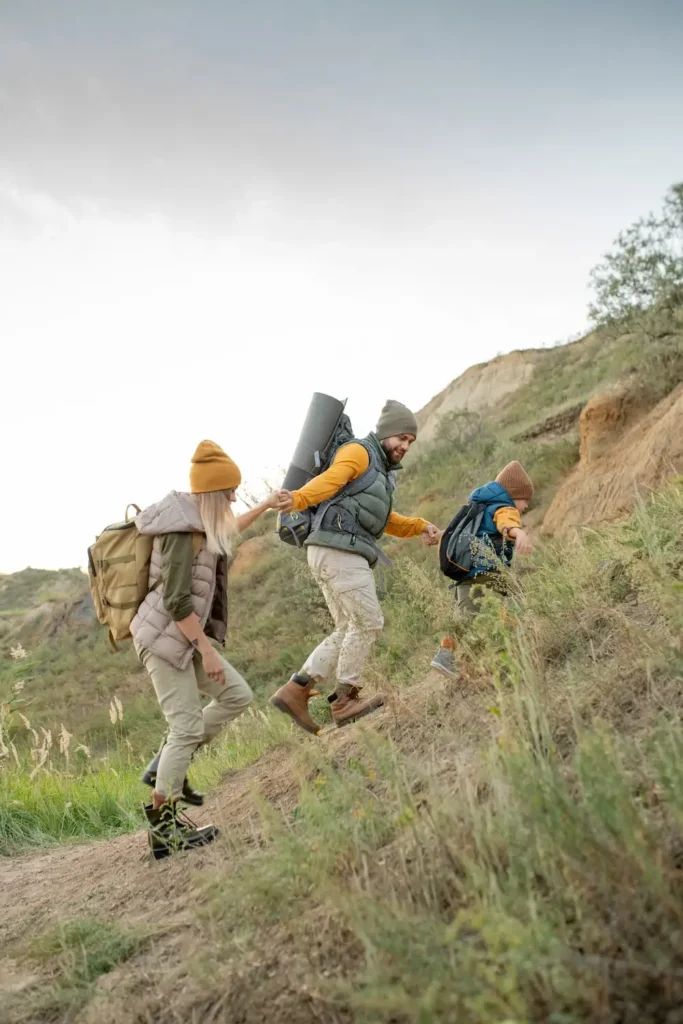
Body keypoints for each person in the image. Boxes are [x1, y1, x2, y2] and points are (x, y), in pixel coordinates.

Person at [131, 440, 283, 858]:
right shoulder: (181, 532)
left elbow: (229, 530)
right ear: (214, 493)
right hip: (164, 641)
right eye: (231, 491)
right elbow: (176, 602)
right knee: (184, 728)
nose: (235, 497)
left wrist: (267, 505)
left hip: (181, 638)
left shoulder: (200, 521)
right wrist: (208, 650)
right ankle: (164, 833)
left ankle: (165, 764)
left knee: (237, 695)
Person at [271, 400, 440, 733]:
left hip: (330, 549)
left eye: (410, 442)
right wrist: (298, 498)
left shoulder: (377, 469)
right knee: (368, 621)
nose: (405, 446)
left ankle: (297, 689)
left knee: (348, 627)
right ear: (386, 433)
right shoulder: (360, 453)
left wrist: (419, 526)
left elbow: (381, 518)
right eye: (401, 438)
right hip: (338, 549)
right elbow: (332, 481)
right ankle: (346, 700)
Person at [431, 461, 534, 678]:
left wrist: (440, 535)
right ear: (514, 495)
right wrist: (519, 533)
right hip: (487, 570)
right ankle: (512, 641)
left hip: (465, 571)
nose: (525, 507)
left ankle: (445, 654)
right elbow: (507, 523)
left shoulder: (478, 507)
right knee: (516, 595)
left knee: (463, 615)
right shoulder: (505, 508)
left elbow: (459, 530)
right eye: (525, 501)